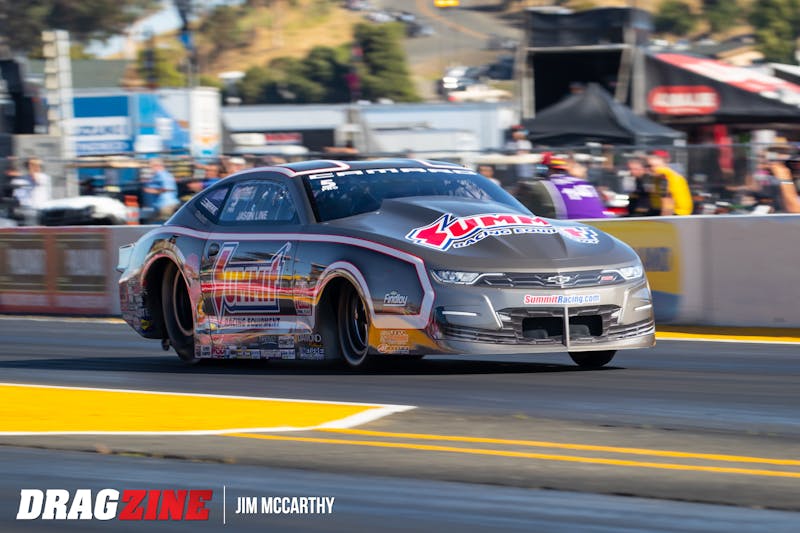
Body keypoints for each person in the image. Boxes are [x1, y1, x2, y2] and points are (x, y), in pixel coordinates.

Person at [647, 152, 693, 216]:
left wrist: (662, 220)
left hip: (677, 215)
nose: (652, 168)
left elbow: (668, 208)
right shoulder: (670, 176)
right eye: (649, 166)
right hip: (680, 214)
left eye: (655, 166)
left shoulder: (665, 179)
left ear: (664, 165)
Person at [142, 158, 179, 223]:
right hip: (168, 204)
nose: (151, 169)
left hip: (166, 205)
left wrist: (150, 190)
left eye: (151, 166)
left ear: (157, 166)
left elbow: (168, 189)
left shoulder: (161, 174)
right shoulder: (165, 174)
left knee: (163, 224)